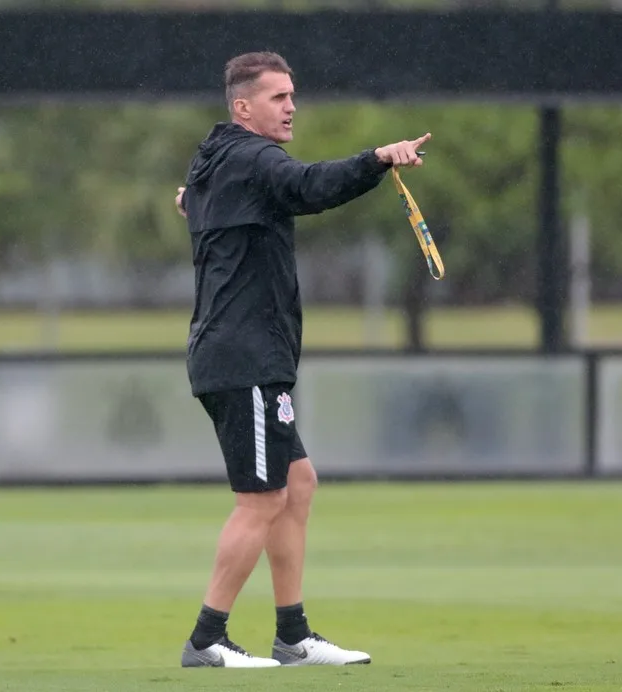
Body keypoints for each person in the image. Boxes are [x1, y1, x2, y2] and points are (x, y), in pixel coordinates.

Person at [174, 51, 429, 669]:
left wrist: (195, 199)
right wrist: (375, 160)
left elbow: (198, 197)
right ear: (243, 107)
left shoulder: (216, 160)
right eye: (277, 97)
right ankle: (207, 639)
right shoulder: (254, 158)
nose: (291, 107)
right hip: (245, 359)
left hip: (245, 356)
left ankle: (293, 636)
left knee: (297, 484)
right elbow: (309, 187)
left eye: (292, 96)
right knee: (260, 500)